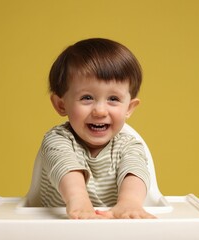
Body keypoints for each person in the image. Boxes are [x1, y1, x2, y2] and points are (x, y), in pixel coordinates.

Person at [28, 38, 155, 219]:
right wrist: (78, 200)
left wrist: (129, 203)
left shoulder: (129, 145)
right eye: (87, 97)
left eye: (113, 99)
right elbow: (65, 166)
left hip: (112, 230)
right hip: (61, 230)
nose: (100, 111)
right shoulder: (57, 140)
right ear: (61, 104)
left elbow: (134, 172)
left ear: (129, 108)